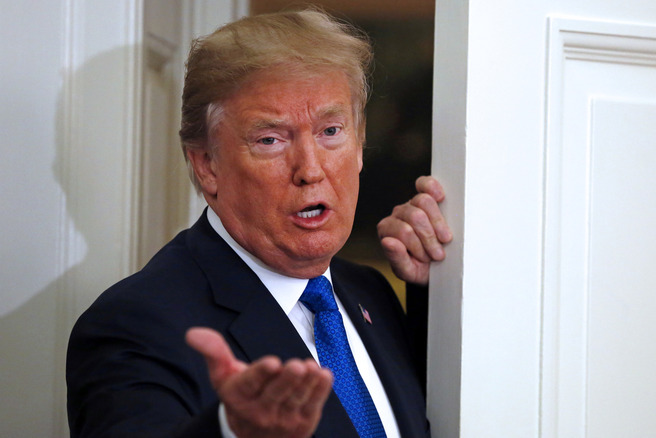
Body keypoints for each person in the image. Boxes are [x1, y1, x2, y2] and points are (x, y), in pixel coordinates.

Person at [66, 8, 451, 438]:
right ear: (207, 165)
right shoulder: (134, 326)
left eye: (330, 131)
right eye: (270, 139)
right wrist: (231, 431)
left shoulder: (371, 293)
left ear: (359, 144)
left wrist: (440, 290)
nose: (310, 170)